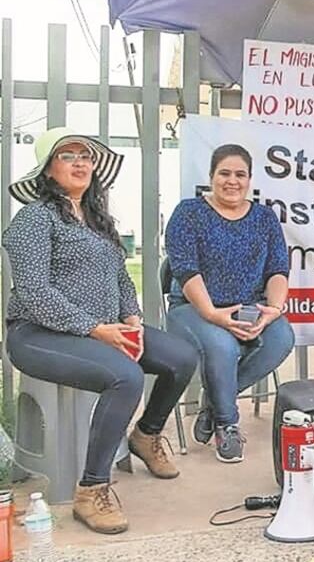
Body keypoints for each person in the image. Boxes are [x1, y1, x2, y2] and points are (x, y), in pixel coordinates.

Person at [3, 128, 199, 534]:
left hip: (105, 328)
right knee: (124, 377)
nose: (80, 163)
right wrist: (94, 329)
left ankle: (146, 436)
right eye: (67, 155)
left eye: (86, 156)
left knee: (181, 357)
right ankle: (91, 491)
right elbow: (34, 292)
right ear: (47, 169)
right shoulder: (34, 219)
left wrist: (130, 319)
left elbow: (121, 279)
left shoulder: (97, 220)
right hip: (39, 334)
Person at [164, 144, 295, 463]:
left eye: (240, 174)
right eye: (224, 173)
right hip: (194, 308)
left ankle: (214, 403)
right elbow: (184, 269)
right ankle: (227, 424)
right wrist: (212, 313)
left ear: (250, 179)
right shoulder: (189, 213)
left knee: (281, 338)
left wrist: (273, 311)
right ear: (211, 176)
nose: (232, 181)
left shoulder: (264, 218)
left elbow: (278, 270)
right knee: (223, 346)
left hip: (250, 307)